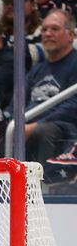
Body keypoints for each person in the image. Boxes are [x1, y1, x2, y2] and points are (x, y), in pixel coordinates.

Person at [22, 9, 77, 163]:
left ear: (71, 36)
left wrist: (36, 125)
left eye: (55, 29)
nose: (47, 34)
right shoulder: (37, 69)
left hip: (62, 129)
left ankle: (44, 185)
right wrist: (14, 121)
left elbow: (72, 106)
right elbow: (18, 101)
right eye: (44, 29)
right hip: (28, 125)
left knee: (43, 131)